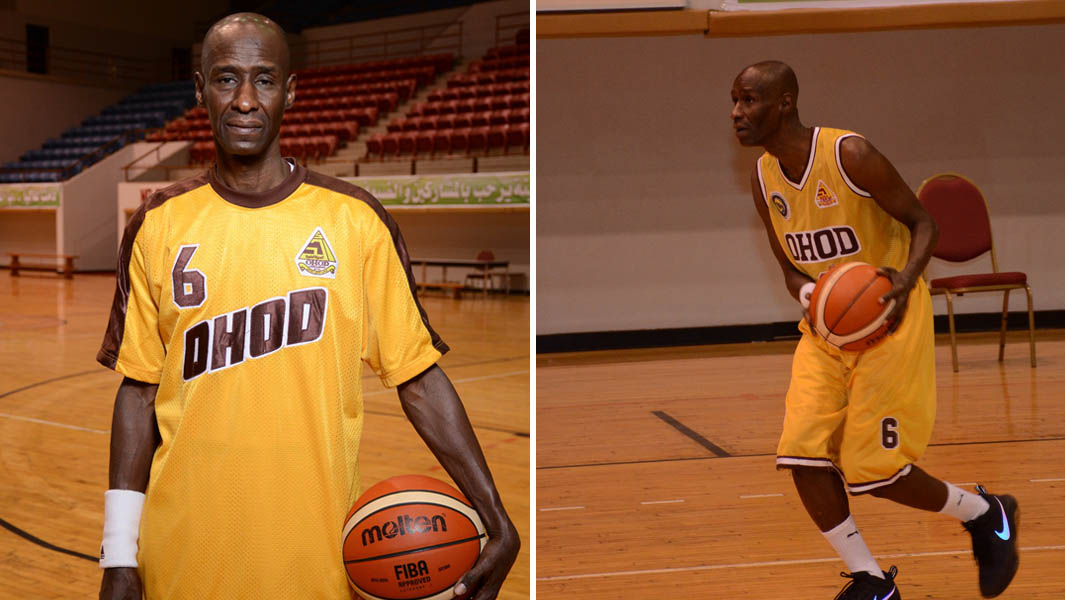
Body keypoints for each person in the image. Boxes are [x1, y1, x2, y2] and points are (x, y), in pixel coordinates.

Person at [96, 13, 518, 600]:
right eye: (226, 79)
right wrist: (119, 554)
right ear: (200, 90)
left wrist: (496, 516)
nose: (245, 100)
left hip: (317, 561)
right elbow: (138, 392)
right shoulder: (157, 223)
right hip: (182, 556)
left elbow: (419, 379)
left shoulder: (355, 220)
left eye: (265, 80)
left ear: (290, 93)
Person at [730, 60, 1018, 599]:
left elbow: (924, 223)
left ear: (785, 102)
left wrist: (905, 281)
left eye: (748, 100)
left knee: (874, 472)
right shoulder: (762, 178)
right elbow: (789, 268)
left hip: (890, 320)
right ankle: (871, 581)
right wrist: (812, 295)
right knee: (801, 455)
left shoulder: (850, 155)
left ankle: (985, 513)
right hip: (826, 332)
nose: (736, 113)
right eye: (735, 101)